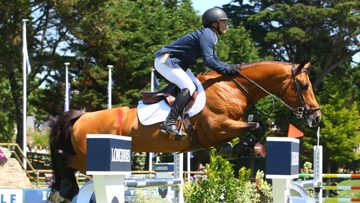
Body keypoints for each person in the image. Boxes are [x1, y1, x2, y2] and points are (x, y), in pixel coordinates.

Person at [154, 7, 240, 140]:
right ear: (214, 23)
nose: (226, 25)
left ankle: (183, 121)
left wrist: (230, 68)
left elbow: (215, 60)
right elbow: (209, 61)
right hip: (166, 61)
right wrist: (228, 70)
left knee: (197, 86)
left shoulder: (210, 35)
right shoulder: (208, 35)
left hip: (178, 64)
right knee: (188, 87)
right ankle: (169, 122)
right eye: (223, 22)